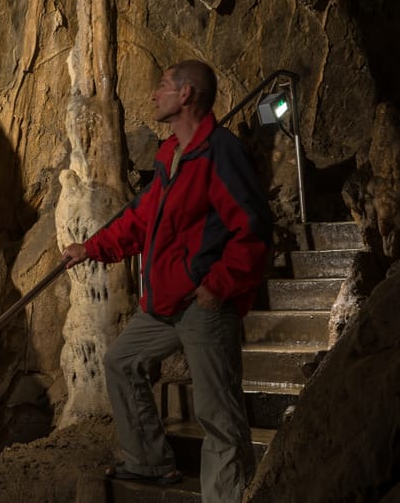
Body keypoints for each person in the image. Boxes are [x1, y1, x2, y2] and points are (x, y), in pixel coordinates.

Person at [62, 60, 272, 502]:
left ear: (187, 94)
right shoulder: (170, 155)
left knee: (217, 411)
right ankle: (150, 461)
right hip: (166, 300)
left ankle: (227, 496)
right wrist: (92, 248)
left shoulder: (219, 152)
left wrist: (218, 285)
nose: (155, 94)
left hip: (203, 302)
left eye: (163, 86)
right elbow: (141, 220)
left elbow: (251, 230)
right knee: (121, 362)